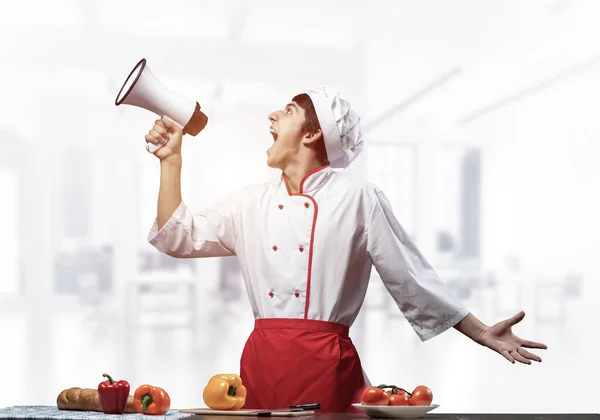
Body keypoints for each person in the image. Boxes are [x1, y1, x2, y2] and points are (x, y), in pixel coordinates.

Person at [144, 85, 547, 413]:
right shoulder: (248, 203)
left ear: (312, 133)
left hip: (326, 366)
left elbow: (411, 278)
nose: (271, 116)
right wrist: (170, 161)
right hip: (261, 365)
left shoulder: (359, 199)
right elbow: (177, 236)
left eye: (285, 111)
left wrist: (479, 332)